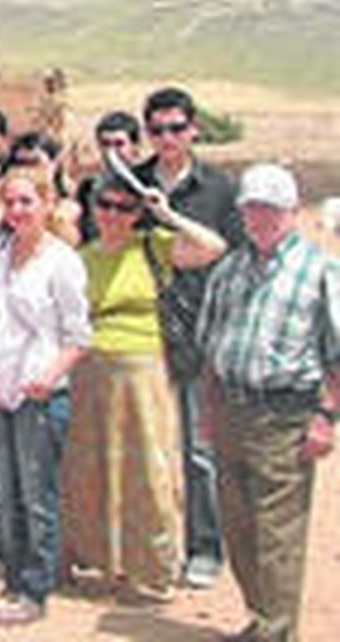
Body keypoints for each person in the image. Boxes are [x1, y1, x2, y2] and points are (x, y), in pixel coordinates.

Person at [61, 174, 226, 601]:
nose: (113, 215)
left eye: (124, 208)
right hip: (91, 367)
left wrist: (165, 213)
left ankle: (152, 567)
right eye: (106, 205)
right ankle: (101, 560)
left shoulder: (154, 246)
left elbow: (212, 247)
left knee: (148, 471)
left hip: (143, 368)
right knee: (91, 468)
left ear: (137, 213)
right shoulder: (82, 257)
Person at [198, 164, 339, 642]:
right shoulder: (230, 269)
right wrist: (210, 412)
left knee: (278, 534)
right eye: (251, 208)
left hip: (285, 415)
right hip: (233, 410)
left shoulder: (319, 271)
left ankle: (278, 633)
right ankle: (262, 619)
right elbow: (211, 348)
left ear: (293, 212)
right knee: (239, 530)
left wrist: (325, 418)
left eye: (270, 209)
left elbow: (336, 353)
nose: (259, 217)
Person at [134, 84, 242, 590]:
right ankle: (151, 544)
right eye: (157, 129)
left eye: (176, 127)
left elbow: (237, 259)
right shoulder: (130, 185)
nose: (167, 137)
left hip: (199, 333)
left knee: (198, 451)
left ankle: (205, 546)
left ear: (194, 129)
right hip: (138, 334)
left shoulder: (218, 188)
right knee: (147, 445)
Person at [0, 165, 90, 626]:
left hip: (39, 396)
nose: (18, 210)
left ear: (46, 204)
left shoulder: (62, 262)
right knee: (4, 493)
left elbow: (79, 336)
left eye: (27, 201)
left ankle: (35, 590)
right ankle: (14, 580)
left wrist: (50, 376)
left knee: (36, 497)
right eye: (11, 202)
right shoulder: (0, 253)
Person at [75, 110, 143, 243]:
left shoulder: (146, 184)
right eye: (106, 144)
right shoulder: (88, 187)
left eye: (119, 144)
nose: (111, 152)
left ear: (135, 147)